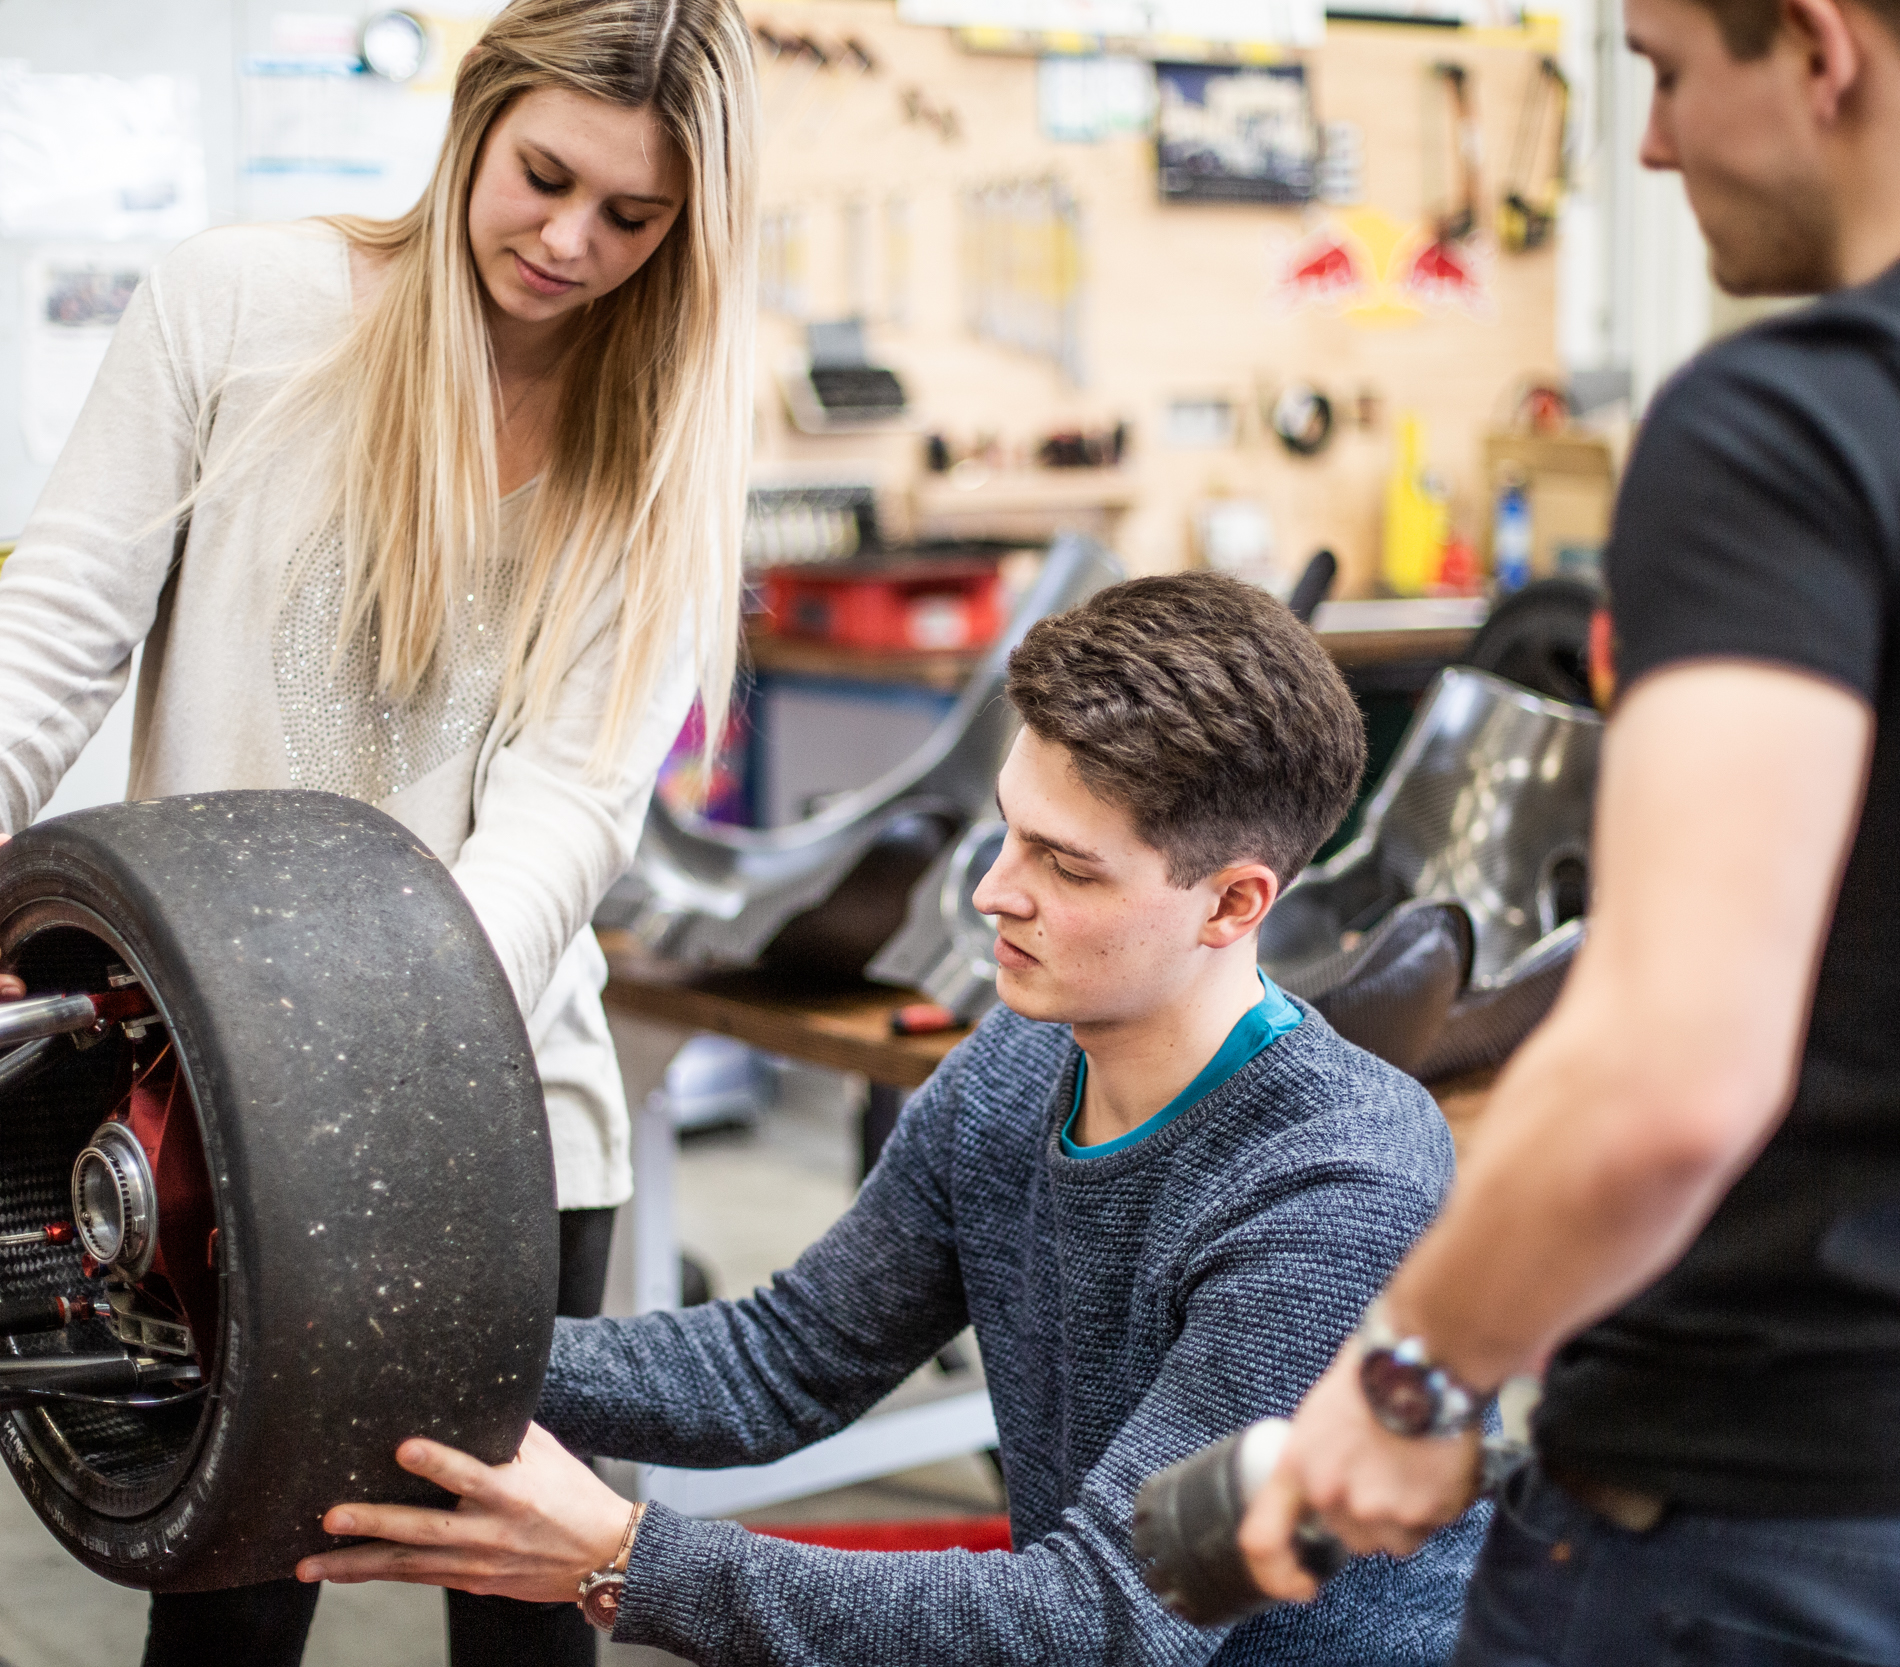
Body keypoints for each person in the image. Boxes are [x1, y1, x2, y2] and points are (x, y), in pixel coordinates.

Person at [1237, 1, 1900, 1663]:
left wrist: (1412, 1372)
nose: (1656, 143)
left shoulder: (1800, 420)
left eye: (1669, 75)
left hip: (1759, 1548)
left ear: (1823, 48)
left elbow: (1671, 1071)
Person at [0, 3, 758, 1662]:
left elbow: (569, 805)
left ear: (689, 231)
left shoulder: (663, 444)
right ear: (476, 119)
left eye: (632, 219)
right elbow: (69, 596)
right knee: (227, 1600)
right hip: (206, 1097)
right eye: (545, 176)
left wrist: (366, 1046)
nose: (570, 242)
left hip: (494, 1110)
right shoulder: (243, 306)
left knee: (516, 1599)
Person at [295, 573, 1489, 1664]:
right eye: (1009, 830)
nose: (991, 892)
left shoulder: (1337, 1188)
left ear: (1233, 902)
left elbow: (1102, 1621)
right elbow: (777, 1363)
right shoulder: (1018, 1068)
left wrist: (622, 1553)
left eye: (1065, 867)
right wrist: (393, 1354)